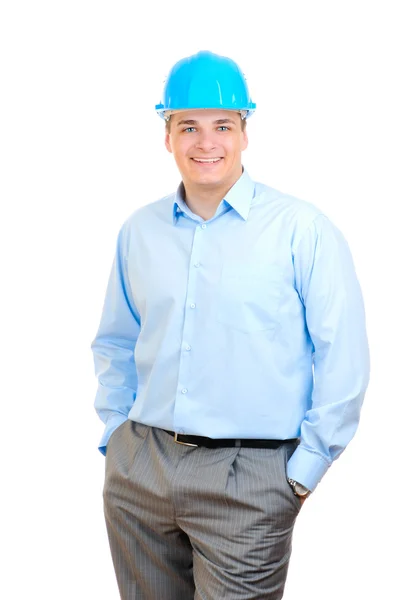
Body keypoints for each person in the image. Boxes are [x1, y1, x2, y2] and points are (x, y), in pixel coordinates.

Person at [91, 50, 370, 599]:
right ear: (166, 136)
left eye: (222, 125)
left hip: (251, 475)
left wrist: (302, 471)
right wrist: (115, 435)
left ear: (245, 132)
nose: (205, 142)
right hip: (141, 467)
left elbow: (343, 357)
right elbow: (117, 340)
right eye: (187, 126)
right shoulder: (139, 231)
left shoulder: (301, 230)